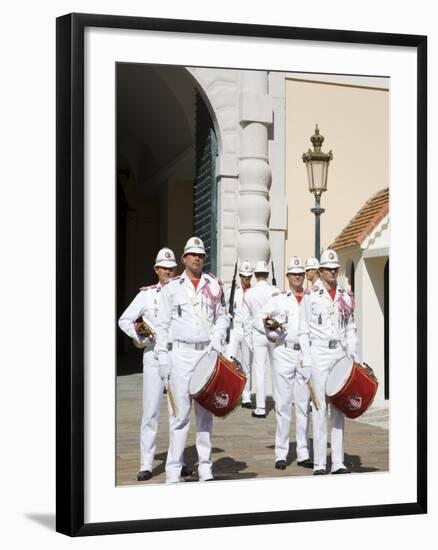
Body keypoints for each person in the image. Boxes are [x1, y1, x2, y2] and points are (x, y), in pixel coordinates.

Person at [155, 237, 229, 483]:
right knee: (179, 416)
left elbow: (222, 318)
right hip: (181, 354)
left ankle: (205, 468)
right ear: (184, 258)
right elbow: (162, 326)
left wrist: (218, 341)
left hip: (206, 354)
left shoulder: (214, 285)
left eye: (201, 255)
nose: (198, 258)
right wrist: (162, 358)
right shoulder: (171, 287)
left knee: (205, 415)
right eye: (193, 254)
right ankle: (173, 471)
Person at [118, 248, 191, 482]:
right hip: (153, 356)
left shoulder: (183, 292)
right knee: (150, 411)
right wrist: (141, 337)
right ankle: (146, 463)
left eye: (172, 268)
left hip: (177, 356)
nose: (168, 272)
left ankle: (177, 461)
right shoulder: (146, 295)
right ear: (156, 270)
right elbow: (124, 320)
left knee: (177, 412)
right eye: (164, 268)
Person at [299, 249, 358, 475]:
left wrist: (352, 353)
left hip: (340, 354)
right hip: (319, 354)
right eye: (328, 269)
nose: (333, 272)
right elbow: (303, 330)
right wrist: (306, 359)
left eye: (335, 269)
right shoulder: (311, 295)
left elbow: (351, 327)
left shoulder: (345, 295)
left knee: (339, 407)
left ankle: (338, 462)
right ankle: (320, 463)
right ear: (320, 271)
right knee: (319, 406)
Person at [255, 256, 313, 470]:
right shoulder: (279, 299)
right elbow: (258, 318)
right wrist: (271, 332)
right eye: (294, 273)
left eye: (301, 273)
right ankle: (281, 453)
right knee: (282, 404)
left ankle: (303, 452)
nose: (297, 276)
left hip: (305, 354)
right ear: (288, 276)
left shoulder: (310, 297)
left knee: (303, 405)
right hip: (284, 352)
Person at [243, 260, 279, 418]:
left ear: (255, 275)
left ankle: (261, 407)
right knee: (277, 369)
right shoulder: (275, 291)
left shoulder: (249, 293)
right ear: (267, 274)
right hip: (273, 332)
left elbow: (246, 318)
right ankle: (279, 404)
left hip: (258, 334)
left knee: (259, 370)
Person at [225, 260, 254, 408]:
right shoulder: (232, 291)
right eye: (244, 275)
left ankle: (246, 397)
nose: (246, 278)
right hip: (235, 328)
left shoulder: (254, 293)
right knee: (228, 360)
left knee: (247, 365)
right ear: (240, 275)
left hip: (248, 330)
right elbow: (224, 308)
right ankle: (229, 394)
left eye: (248, 276)